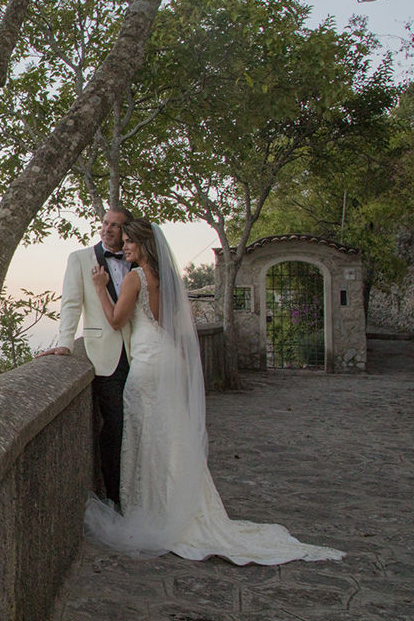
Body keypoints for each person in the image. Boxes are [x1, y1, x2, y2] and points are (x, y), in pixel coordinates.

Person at [84, 218, 343, 564]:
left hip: (147, 365)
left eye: (130, 242)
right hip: (168, 357)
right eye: (125, 241)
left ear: (145, 245)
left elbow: (116, 320)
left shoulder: (135, 277)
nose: (125, 247)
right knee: (171, 435)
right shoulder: (167, 279)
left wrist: (101, 287)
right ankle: (185, 508)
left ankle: (157, 512)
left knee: (149, 437)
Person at [37, 206, 134, 507]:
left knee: (139, 423)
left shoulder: (135, 259)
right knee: (115, 425)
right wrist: (65, 342)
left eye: (115, 226)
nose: (107, 229)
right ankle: (115, 497)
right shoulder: (79, 259)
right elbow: (71, 304)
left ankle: (140, 490)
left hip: (140, 352)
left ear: (125, 231)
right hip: (103, 354)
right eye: (105, 223)